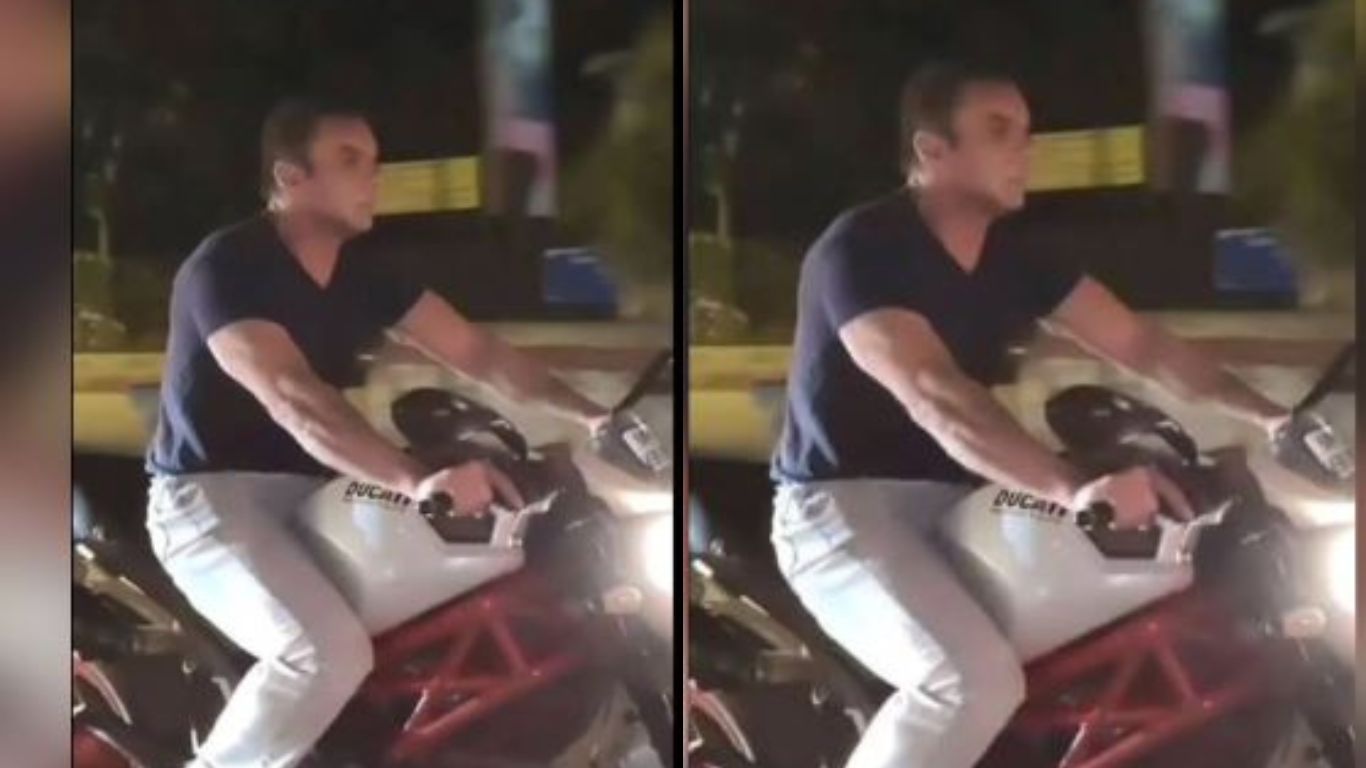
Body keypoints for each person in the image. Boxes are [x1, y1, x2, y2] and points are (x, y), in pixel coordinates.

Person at [770, 61, 1291, 768]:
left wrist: (1274, 418)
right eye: (998, 130)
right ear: (932, 149)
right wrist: (1073, 489)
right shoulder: (861, 249)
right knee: (968, 683)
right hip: (842, 512)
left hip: (965, 508)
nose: (1025, 148)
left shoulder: (1018, 256)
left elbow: (1141, 343)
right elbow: (934, 393)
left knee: (1136, 617)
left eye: (1026, 131)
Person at [145, 97, 610, 768]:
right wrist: (416, 479)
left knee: (479, 583)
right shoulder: (228, 266)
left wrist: (595, 416)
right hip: (211, 501)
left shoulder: (366, 274)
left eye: (374, 161)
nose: (373, 177)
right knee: (322, 652)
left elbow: (478, 352)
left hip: (320, 496)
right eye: (349, 160)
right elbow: (294, 398)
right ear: (290, 177)